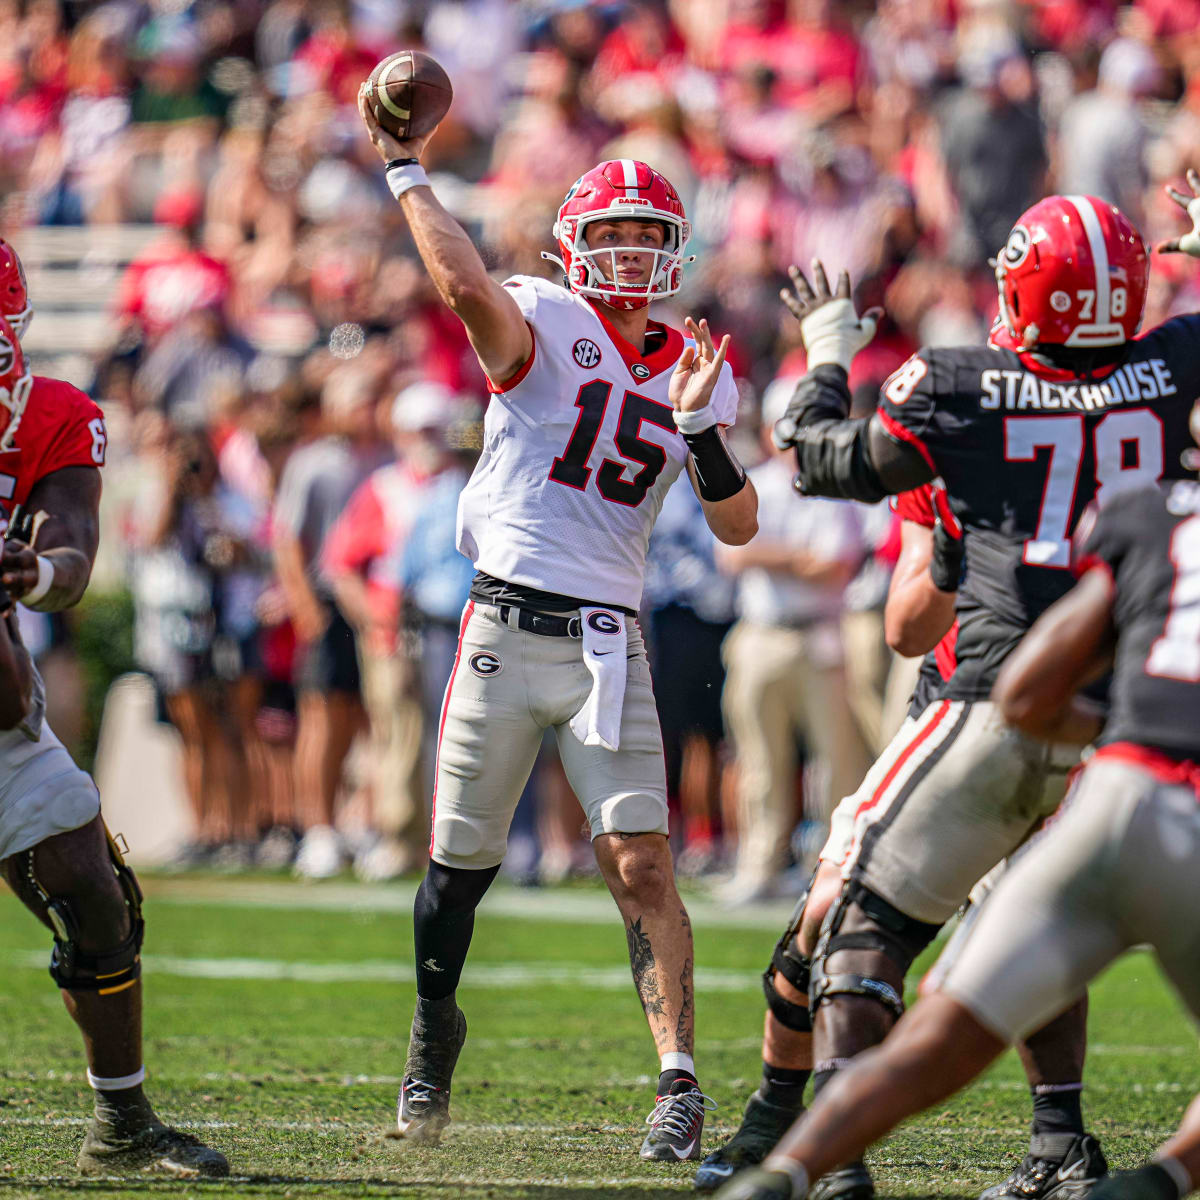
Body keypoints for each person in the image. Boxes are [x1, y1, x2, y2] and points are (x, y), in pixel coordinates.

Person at [723, 189, 1200, 1200]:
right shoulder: (1170, 373)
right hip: (1113, 728)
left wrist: (822, 352)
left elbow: (816, 460)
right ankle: (1093, 1154)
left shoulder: (955, 384)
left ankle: (834, 1164)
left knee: (862, 926)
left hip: (989, 700)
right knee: (1038, 930)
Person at [360, 79, 758, 1160]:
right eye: (613, 234)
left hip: (606, 640)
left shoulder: (698, 370)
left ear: (676, 249)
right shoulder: (541, 314)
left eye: (648, 236)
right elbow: (457, 281)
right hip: (500, 629)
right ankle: (432, 1038)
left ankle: (679, 1081)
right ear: (576, 243)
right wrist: (407, 172)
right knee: (457, 873)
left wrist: (704, 435)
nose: (630, 254)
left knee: (642, 862)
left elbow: (737, 523)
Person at [0, 311, 227, 1177]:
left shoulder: (49, 417)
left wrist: (38, 574)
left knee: (96, 895)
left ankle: (122, 1122)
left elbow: (68, 551)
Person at [695, 477, 959, 1191]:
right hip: (962, 709)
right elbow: (906, 627)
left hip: (1063, 729)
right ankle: (786, 1114)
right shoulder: (940, 483)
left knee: (1024, 941)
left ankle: (1059, 1133)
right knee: (828, 908)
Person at [715, 385, 871, 905]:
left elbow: (832, 567)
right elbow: (732, 558)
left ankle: (828, 867)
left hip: (818, 634)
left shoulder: (831, 487)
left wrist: (767, 555)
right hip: (761, 633)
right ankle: (759, 865)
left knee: (837, 763)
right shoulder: (755, 482)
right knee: (760, 760)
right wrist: (793, 559)